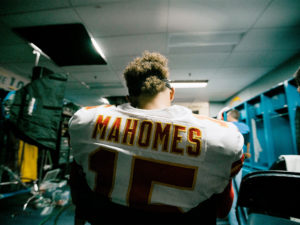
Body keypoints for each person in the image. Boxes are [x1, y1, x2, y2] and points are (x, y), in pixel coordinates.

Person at [68, 51, 244, 225]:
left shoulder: (85, 121)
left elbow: (81, 196)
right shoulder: (222, 136)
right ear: (172, 93)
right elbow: (222, 210)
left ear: (128, 98)